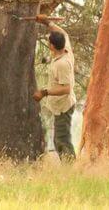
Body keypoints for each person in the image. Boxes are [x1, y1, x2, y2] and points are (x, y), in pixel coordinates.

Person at [32, 14, 76, 161]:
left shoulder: (62, 64)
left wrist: (45, 92)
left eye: (48, 41)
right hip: (59, 106)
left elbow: (66, 89)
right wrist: (47, 22)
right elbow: (64, 33)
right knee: (59, 139)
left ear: (52, 46)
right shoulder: (65, 48)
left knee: (61, 140)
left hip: (63, 106)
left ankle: (70, 168)